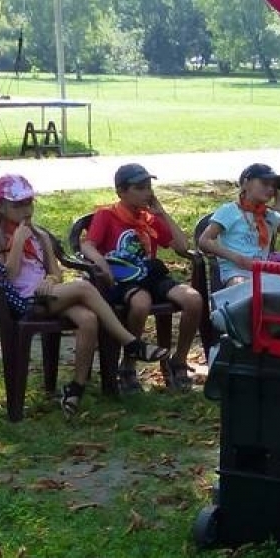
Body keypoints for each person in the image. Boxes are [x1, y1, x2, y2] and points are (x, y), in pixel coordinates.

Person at [0, 174, 171, 414]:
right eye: (18, 205)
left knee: (88, 319)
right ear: (0, 207)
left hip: (47, 296)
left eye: (29, 203)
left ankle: (76, 388)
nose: (26, 209)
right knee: (84, 287)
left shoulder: (40, 236)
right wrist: (16, 244)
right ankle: (131, 343)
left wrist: (49, 279)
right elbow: (7, 278)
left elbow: (56, 273)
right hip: (16, 302)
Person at [81, 163, 204, 392]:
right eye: (140, 187)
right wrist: (101, 264)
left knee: (193, 299)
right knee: (141, 303)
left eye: (149, 187)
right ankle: (128, 364)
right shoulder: (106, 215)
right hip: (124, 278)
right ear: (121, 191)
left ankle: (179, 359)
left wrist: (161, 212)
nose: (147, 192)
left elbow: (181, 245)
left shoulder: (149, 218)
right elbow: (88, 246)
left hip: (151, 274)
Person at [198, 162, 280, 290]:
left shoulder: (270, 216)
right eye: (264, 183)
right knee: (243, 290)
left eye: (274, 187)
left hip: (263, 272)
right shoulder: (230, 211)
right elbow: (204, 240)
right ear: (246, 183)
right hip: (236, 272)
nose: (270, 189)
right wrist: (239, 259)